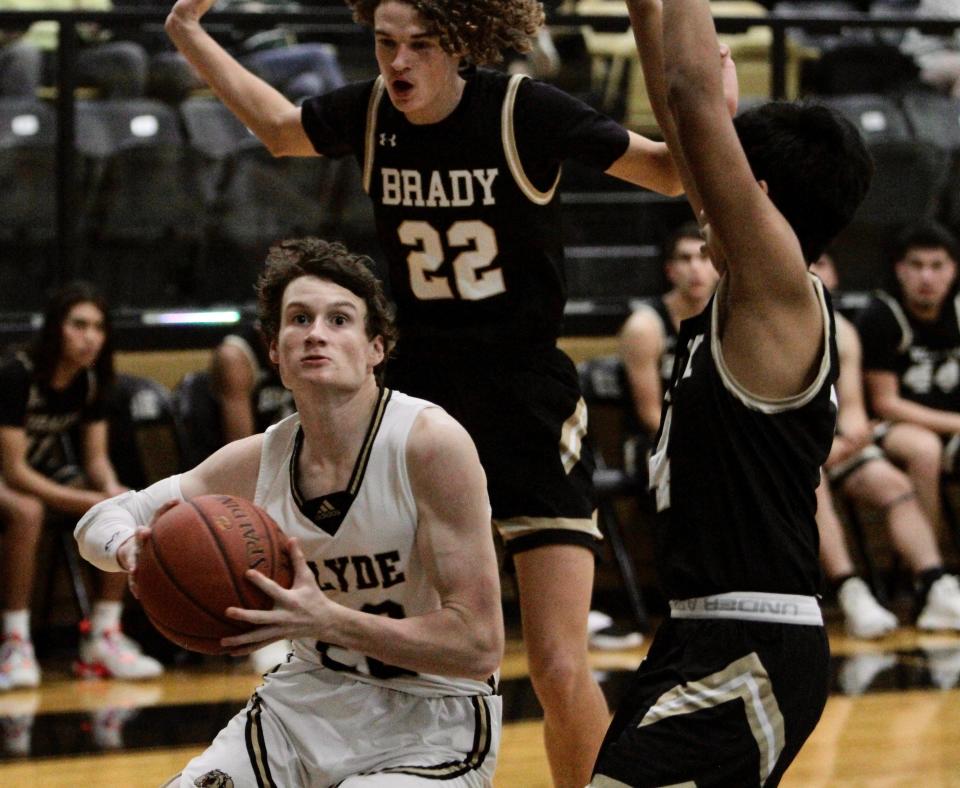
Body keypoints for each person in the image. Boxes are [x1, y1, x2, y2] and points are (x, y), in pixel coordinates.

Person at [163, 1, 704, 783]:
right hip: (414, 403)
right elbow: (281, 131)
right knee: (406, 650)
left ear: (463, 43)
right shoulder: (375, 111)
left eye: (419, 45)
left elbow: (668, 171)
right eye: (385, 44)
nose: (398, 62)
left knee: (555, 664)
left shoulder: (524, 111)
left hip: (523, 399)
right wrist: (188, 34)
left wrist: (650, 20)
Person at [76, 237, 504, 786]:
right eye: (298, 319)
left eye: (339, 319)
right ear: (275, 350)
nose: (316, 332)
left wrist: (325, 621)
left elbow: (479, 644)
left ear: (377, 347)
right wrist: (134, 550)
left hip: (433, 717)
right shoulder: (262, 458)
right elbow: (99, 521)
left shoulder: (428, 444)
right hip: (305, 704)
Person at [589, 1, 873, 785]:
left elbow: (688, 96)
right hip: (696, 630)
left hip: (754, 639)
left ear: (763, 191)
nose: (704, 187)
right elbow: (685, 126)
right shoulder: (750, 295)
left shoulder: (779, 289)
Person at [0, 281, 163, 690]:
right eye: (79, 325)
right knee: (27, 510)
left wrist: (110, 493)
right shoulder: (17, 373)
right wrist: (85, 499)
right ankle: (14, 641)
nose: (89, 336)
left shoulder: (90, 382)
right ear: (56, 327)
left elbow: (95, 459)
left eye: (97, 327)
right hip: (11, 474)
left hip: (40, 473)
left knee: (119, 505)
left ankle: (104, 635)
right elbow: (15, 471)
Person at [810, 252, 960, 639]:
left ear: (835, 274)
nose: (812, 271)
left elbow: (856, 409)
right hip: (789, 452)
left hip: (835, 444)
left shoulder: (841, 330)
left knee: (892, 484)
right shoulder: (761, 327)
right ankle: (850, 590)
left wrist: (851, 437)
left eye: (821, 262)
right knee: (811, 481)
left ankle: (934, 584)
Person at [858, 220, 960, 625]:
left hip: (950, 424)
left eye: (937, 266)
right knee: (923, 448)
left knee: (933, 444)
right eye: (916, 266)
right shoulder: (882, 314)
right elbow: (886, 403)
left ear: (953, 269)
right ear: (899, 269)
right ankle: (930, 577)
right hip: (888, 426)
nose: (927, 277)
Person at [619, 220, 718, 446]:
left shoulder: (730, 320)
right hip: (658, 445)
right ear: (670, 270)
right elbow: (651, 417)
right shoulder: (644, 327)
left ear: (717, 267)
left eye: (704, 257)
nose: (695, 267)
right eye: (685, 258)